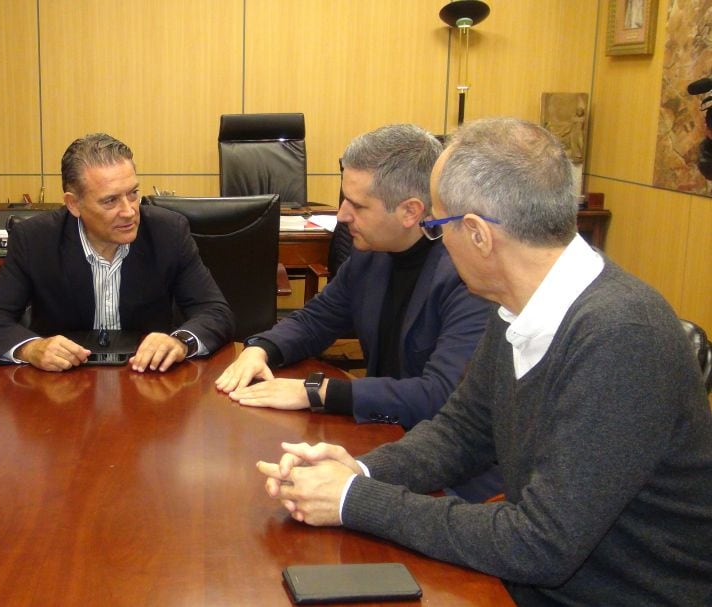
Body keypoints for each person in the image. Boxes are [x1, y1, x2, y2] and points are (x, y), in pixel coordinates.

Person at [257, 118, 712, 606]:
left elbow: (540, 542)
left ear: (475, 234)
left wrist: (353, 500)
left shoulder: (622, 337)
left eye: (436, 225)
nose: (437, 241)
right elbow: (463, 431)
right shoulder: (518, 302)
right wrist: (361, 471)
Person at [216, 125, 493, 496]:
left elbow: (438, 395)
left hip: (451, 477)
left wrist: (317, 392)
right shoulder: (371, 254)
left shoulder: (466, 274)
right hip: (381, 442)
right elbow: (316, 320)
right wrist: (261, 348)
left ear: (411, 211)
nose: (342, 215)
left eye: (357, 205)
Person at [0, 133, 233, 373]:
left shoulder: (168, 232)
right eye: (110, 200)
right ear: (74, 204)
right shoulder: (36, 240)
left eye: (133, 194)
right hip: (63, 388)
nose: (128, 211)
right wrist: (31, 349)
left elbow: (216, 312)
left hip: (146, 382)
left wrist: (180, 341)